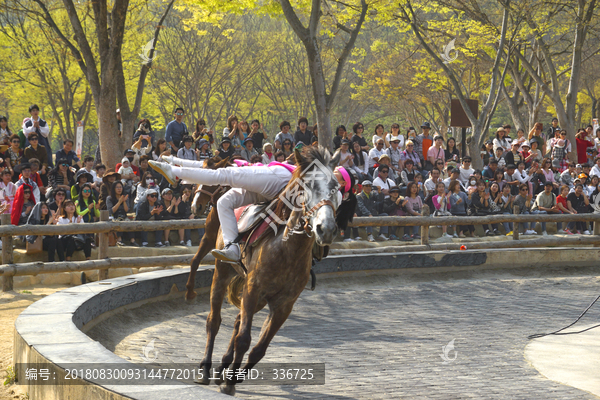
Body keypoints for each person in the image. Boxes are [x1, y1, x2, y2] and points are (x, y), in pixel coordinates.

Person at [150, 150, 356, 263]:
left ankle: (173, 171)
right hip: (276, 191)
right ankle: (231, 247)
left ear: (343, 184)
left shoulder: (332, 191)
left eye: (338, 174)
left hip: (278, 181)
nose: (335, 172)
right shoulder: (331, 191)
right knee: (224, 199)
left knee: (225, 176)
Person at [106, 181, 137, 246]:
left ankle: (132, 241)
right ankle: (119, 240)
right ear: (114, 189)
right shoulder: (109, 198)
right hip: (114, 216)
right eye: (117, 187)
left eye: (120, 187)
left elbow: (127, 210)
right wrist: (119, 202)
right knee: (118, 221)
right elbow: (111, 211)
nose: (119, 189)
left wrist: (124, 202)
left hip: (124, 216)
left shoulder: (125, 197)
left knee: (129, 222)